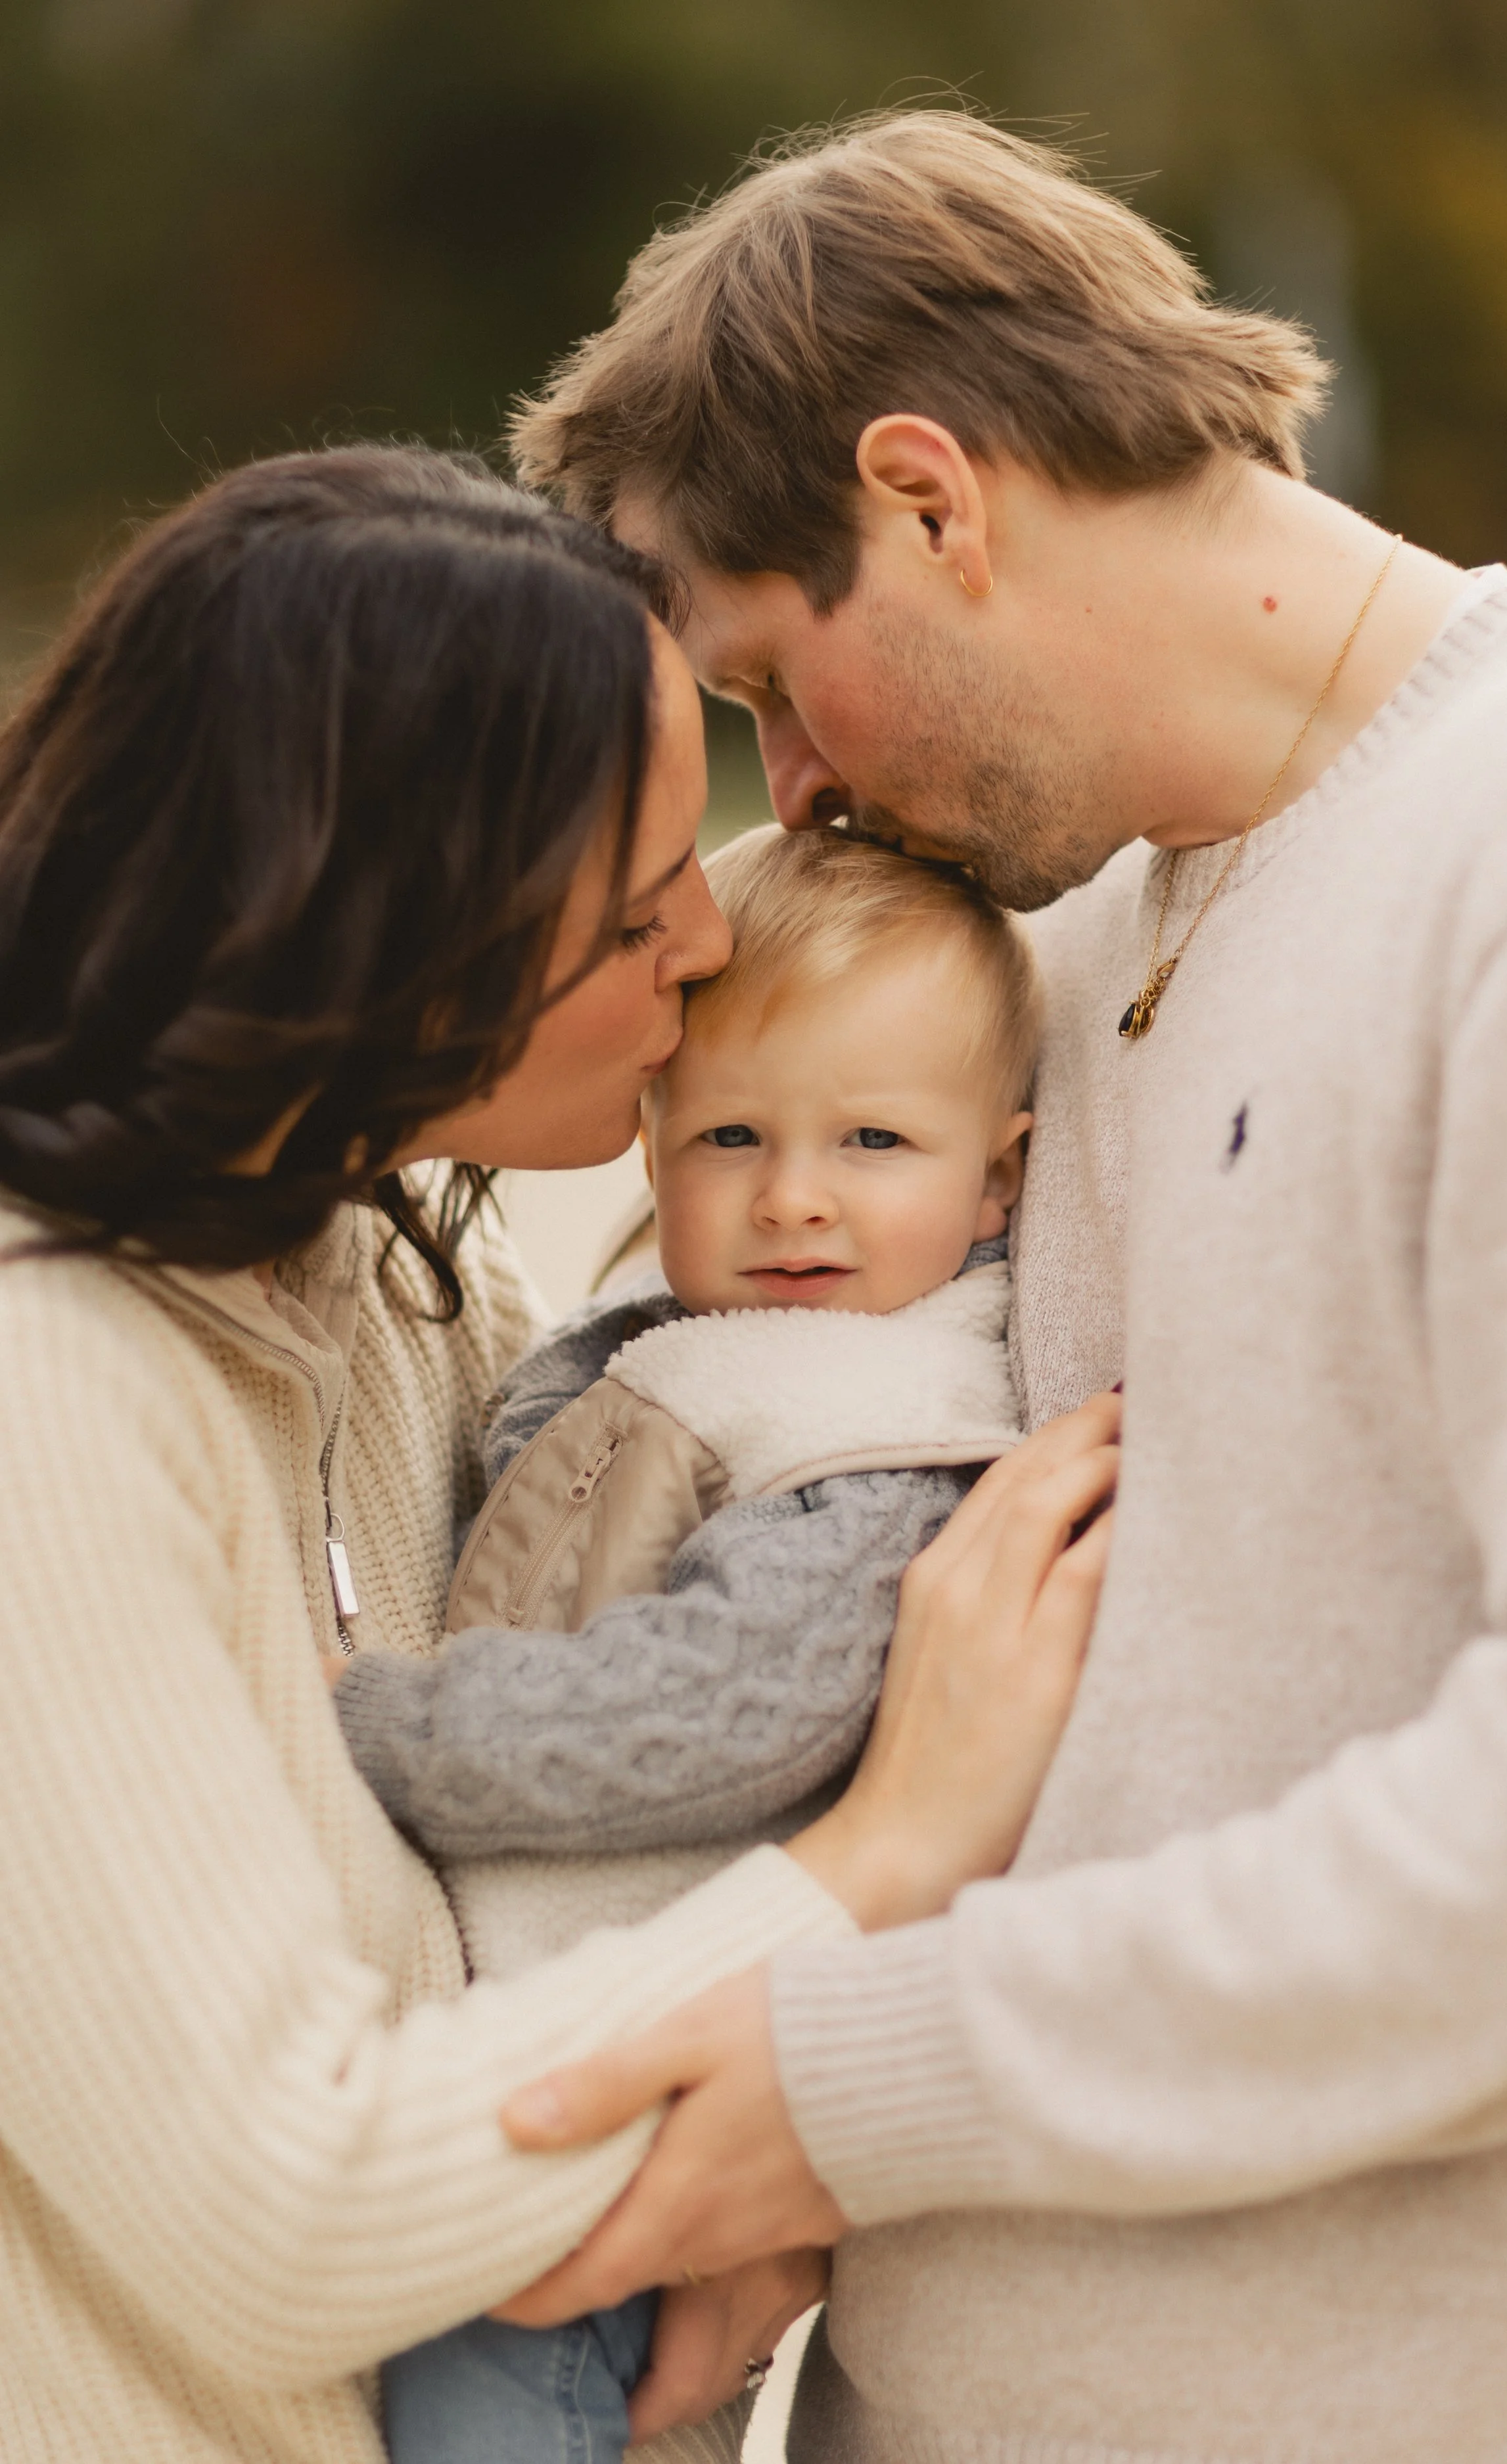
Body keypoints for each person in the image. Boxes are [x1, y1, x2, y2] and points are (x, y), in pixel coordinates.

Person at [493, 108, 1507, 2464]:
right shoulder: (1033, 947)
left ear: (931, 499)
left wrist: (862, 2082)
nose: (786, 792)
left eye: (774, 684)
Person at [0, 439, 1122, 2464]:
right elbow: (292, 2210)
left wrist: (733, 2197)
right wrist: (876, 1855)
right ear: (380, 939)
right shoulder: (44, 1402)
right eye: (636, 905)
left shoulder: (386, 1281)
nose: (709, 942)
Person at [327, 820, 1046, 2464]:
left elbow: (728, 1711)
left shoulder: (879, 1428)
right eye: (732, 1135)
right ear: (651, 1152)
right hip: (545, 2048)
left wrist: (373, 1726)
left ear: (995, 1176)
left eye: (872, 1139)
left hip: (655, 2096)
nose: (794, 1199)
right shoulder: (677, 1348)